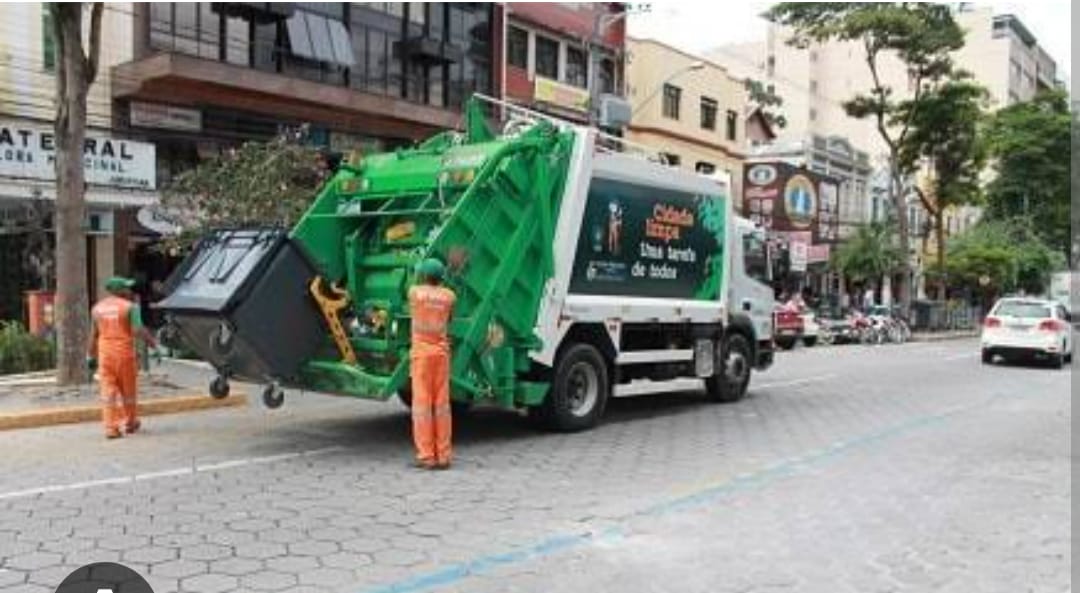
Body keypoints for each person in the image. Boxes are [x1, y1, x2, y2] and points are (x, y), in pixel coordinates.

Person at [87, 277, 158, 439]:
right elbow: (138, 330)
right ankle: (130, 422)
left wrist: (89, 356)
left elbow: (93, 334)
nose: (130, 291)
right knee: (129, 392)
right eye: (127, 288)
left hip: (105, 355)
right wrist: (154, 345)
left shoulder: (97, 308)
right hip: (124, 355)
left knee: (108, 392)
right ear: (119, 291)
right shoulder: (130, 307)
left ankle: (111, 428)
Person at [407, 258, 457, 470]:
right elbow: (450, 318)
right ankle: (444, 456)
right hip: (441, 355)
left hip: (422, 356)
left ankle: (426, 456)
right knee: (442, 406)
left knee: (422, 406)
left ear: (423, 275)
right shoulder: (449, 296)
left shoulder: (415, 293)